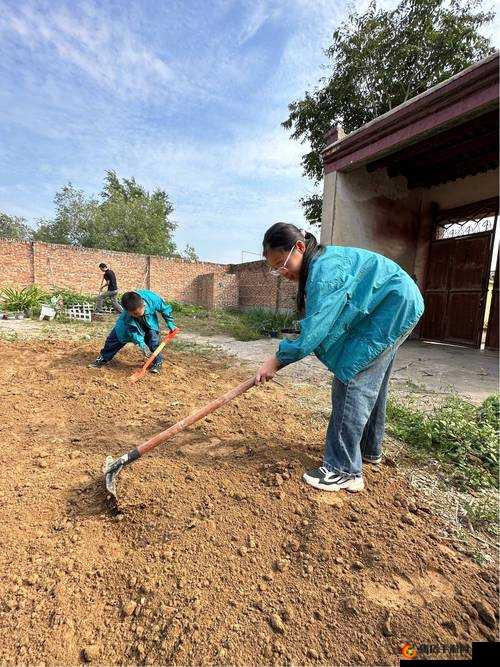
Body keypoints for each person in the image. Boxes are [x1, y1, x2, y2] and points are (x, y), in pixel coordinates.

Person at [255, 223, 424, 493]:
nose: (281, 272)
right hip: (396, 304)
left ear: (299, 247)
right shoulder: (319, 265)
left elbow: (315, 331)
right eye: (275, 268)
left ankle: (343, 469)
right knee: (371, 382)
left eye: (281, 263)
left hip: (392, 306)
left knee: (352, 376)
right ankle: (369, 449)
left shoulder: (324, 272)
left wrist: (275, 360)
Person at [89, 289, 176, 373]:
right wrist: (142, 345)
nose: (137, 315)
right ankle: (103, 358)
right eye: (134, 314)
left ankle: (158, 362)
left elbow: (165, 309)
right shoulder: (126, 317)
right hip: (127, 327)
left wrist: (170, 322)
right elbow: (133, 332)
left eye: (138, 313)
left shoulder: (152, 298)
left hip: (149, 322)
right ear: (127, 311)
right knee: (114, 340)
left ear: (143, 305)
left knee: (153, 341)